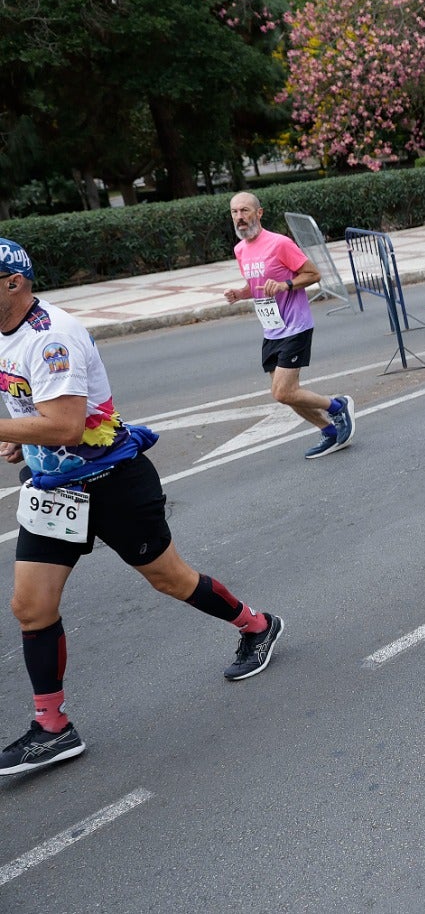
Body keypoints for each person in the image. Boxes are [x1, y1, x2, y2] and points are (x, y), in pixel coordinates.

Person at [0, 239, 284, 776]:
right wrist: (20, 440)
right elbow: (35, 411)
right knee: (30, 606)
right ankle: (52, 727)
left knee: (170, 579)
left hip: (112, 481)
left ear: (13, 283)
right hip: (54, 490)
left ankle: (256, 625)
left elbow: (64, 424)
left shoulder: (50, 336)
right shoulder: (5, 335)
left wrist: (24, 431)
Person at [221, 192, 353, 460]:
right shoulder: (240, 249)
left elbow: (314, 273)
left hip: (296, 326)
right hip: (271, 328)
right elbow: (255, 284)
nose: (239, 217)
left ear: (259, 213)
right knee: (286, 395)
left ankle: (338, 406)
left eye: (245, 211)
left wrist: (286, 285)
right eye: (234, 212)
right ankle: (328, 431)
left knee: (283, 391)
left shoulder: (279, 244)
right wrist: (240, 293)